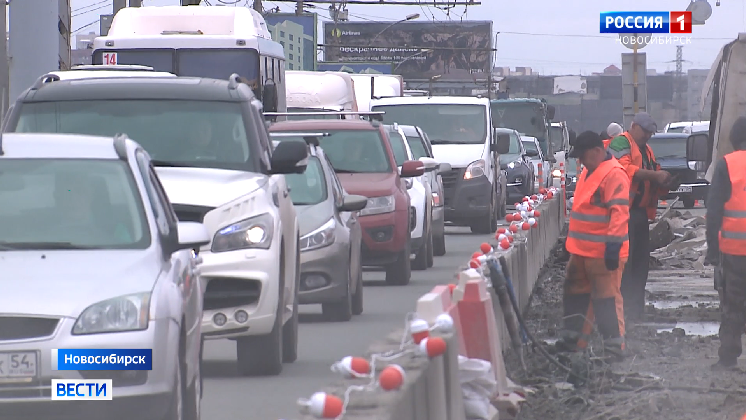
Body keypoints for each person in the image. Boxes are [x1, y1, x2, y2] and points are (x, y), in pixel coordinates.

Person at [557, 131, 631, 359]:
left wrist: (613, 246)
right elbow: (583, 210)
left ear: (598, 152)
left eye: (583, 156)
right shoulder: (590, 171)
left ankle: (613, 347)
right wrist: (571, 244)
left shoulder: (614, 174)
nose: (580, 161)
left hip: (603, 252)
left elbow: (619, 213)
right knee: (575, 294)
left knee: (606, 299)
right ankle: (574, 340)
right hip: (582, 251)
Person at [607, 113, 679, 319]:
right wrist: (654, 176)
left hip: (638, 214)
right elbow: (622, 169)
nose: (648, 135)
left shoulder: (646, 150)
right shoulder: (621, 142)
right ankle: (623, 311)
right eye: (645, 131)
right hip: (622, 213)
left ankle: (635, 309)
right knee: (627, 264)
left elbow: (652, 177)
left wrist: (665, 182)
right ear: (634, 126)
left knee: (640, 263)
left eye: (650, 132)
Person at [705, 116, 746, 371]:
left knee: (732, 305)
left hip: (734, 252)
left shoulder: (727, 165)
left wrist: (712, 249)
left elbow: (714, 211)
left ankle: (728, 358)